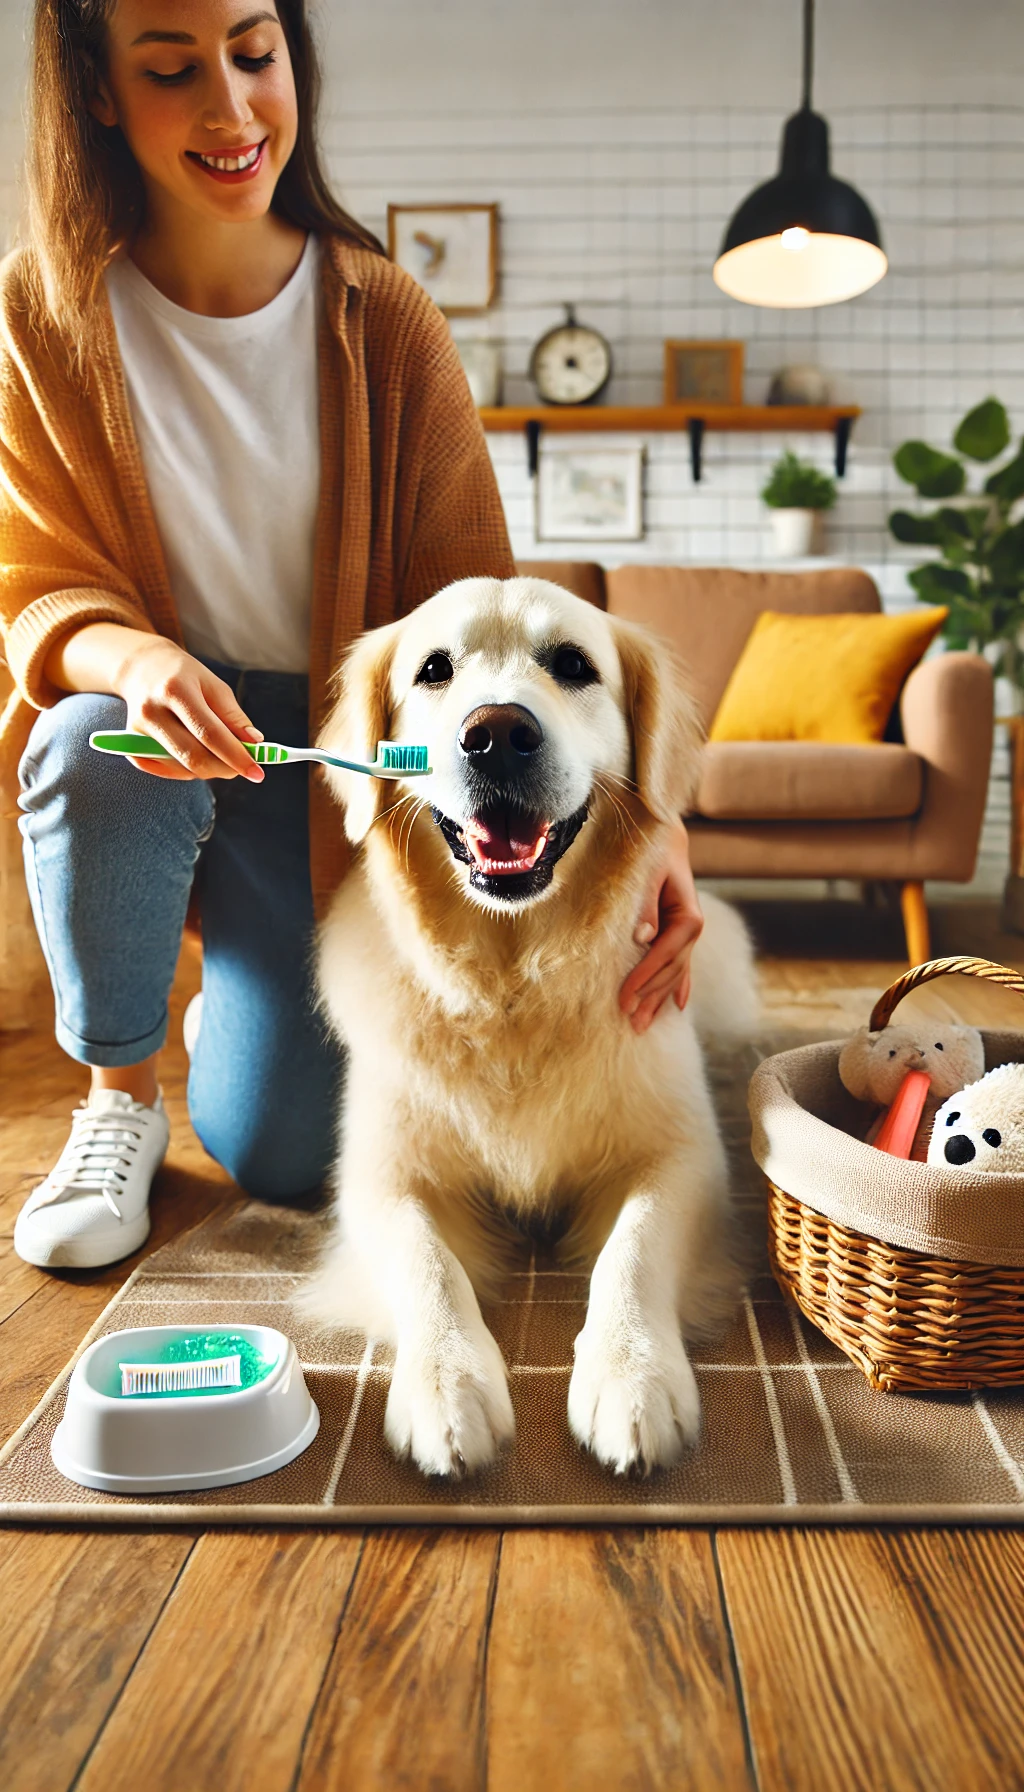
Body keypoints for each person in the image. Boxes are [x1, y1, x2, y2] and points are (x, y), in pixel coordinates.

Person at [0, 0, 704, 1272]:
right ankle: (115, 1100)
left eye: (254, 54)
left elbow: (481, 624)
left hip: (353, 770)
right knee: (86, 739)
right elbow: (34, 578)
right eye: (172, 70)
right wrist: (139, 659)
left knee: (291, 1158)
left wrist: (656, 825)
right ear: (97, 93)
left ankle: (240, 1005)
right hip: (165, 744)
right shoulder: (43, 314)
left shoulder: (384, 316)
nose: (232, 109)